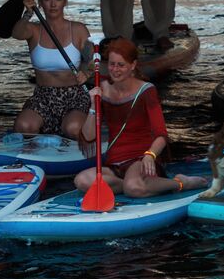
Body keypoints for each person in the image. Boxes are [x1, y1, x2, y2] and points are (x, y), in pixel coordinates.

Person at [74, 39, 201, 197]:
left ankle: (181, 182)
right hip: (115, 164)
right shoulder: (102, 90)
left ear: (133, 65)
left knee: (133, 185)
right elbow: (88, 136)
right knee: (82, 180)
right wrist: (93, 106)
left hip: (141, 159)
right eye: (112, 64)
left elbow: (161, 134)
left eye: (121, 65)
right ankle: (131, 186)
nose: (115, 69)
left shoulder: (147, 90)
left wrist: (150, 155)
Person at [6, 0, 93, 139]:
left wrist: (85, 73)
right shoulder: (33, 29)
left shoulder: (79, 29)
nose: (53, 4)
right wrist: (28, 13)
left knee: (73, 128)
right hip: (43, 96)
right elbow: (16, 33)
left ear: (65, 2)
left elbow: (92, 60)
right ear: (40, 3)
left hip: (74, 96)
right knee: (23, 126)